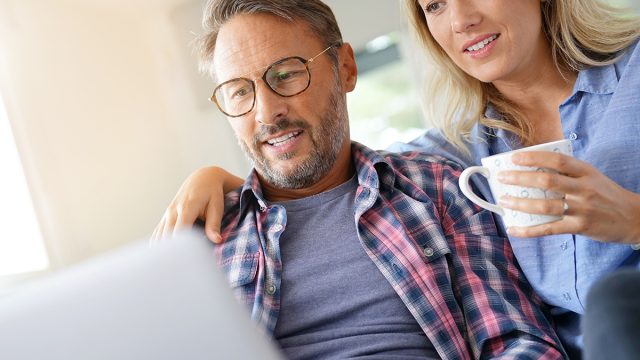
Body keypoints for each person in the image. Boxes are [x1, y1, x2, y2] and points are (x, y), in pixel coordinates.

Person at [152, 0, 640, 357]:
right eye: (239, 92)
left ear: (346, 67)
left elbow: (517, 341)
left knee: (614, 300)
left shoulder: (437, 187)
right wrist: (216, 177)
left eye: (287, 74)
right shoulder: (462, 151)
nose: (267, 111)